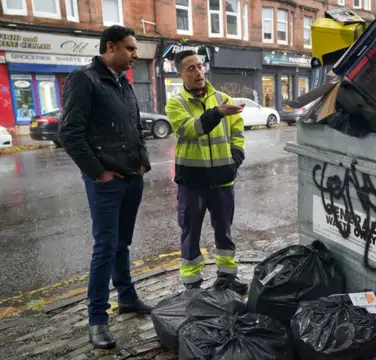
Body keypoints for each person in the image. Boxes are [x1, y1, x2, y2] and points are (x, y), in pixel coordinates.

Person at [58, 25, 152, 350]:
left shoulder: (123, 84)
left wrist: (143, 162)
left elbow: (136, 127)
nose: (135, 55)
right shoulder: (84, 80)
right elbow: (69, 132)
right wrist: (98, 173)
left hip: (131, 179)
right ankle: (97, 319)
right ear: (109, 47)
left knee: (122, 243)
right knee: (105, 248)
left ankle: (127, 298)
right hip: (107, 183)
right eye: (130, 48)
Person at [164, 50, 248, 294]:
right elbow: (190, 129)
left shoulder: (222, 98)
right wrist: (217, 113)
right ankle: (192, 283)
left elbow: (237, 134)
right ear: (180, 73)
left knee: (224, 230)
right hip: (192, 182)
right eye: (191, 68)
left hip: (222, 180)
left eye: (200, 66)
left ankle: (228, 276)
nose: (198, 71)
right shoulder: (176, 103)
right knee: (191, 231)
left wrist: (236, 158)